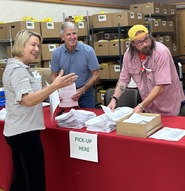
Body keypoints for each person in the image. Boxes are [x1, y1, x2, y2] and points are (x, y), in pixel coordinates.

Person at [2, 30, 78, 191]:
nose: (37, 49)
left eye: (38, 45)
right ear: (21, 45)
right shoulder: (18, 70)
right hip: (25, 133)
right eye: (33, 45)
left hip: (17, 131)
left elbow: (29, 94)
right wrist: (53, 86)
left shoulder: (18, 66)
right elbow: (28, 100)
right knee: (35, 180)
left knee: (21, 179)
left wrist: (53, 89)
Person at [108, 24, 185, 116]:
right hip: (149, 107)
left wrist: (141, 106)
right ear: (133, 43)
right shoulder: (129, 55)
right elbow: (123, 80)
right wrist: (114, 99)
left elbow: (160, 86)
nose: (145, 44)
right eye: (139, 42)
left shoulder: (161, 52)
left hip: (168, 105)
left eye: (146, 39)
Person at [50, 21, 100, 108]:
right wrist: (57, 91)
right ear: (62, 37)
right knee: (66, 120)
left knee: (88, 119)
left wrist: (82, 90)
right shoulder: (56, 53)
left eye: (74, 33)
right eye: (68, 34)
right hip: (65, 94)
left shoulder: (88, 51)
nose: (72, 37)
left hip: (85, 94)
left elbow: (96, 74)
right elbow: (53, 75)